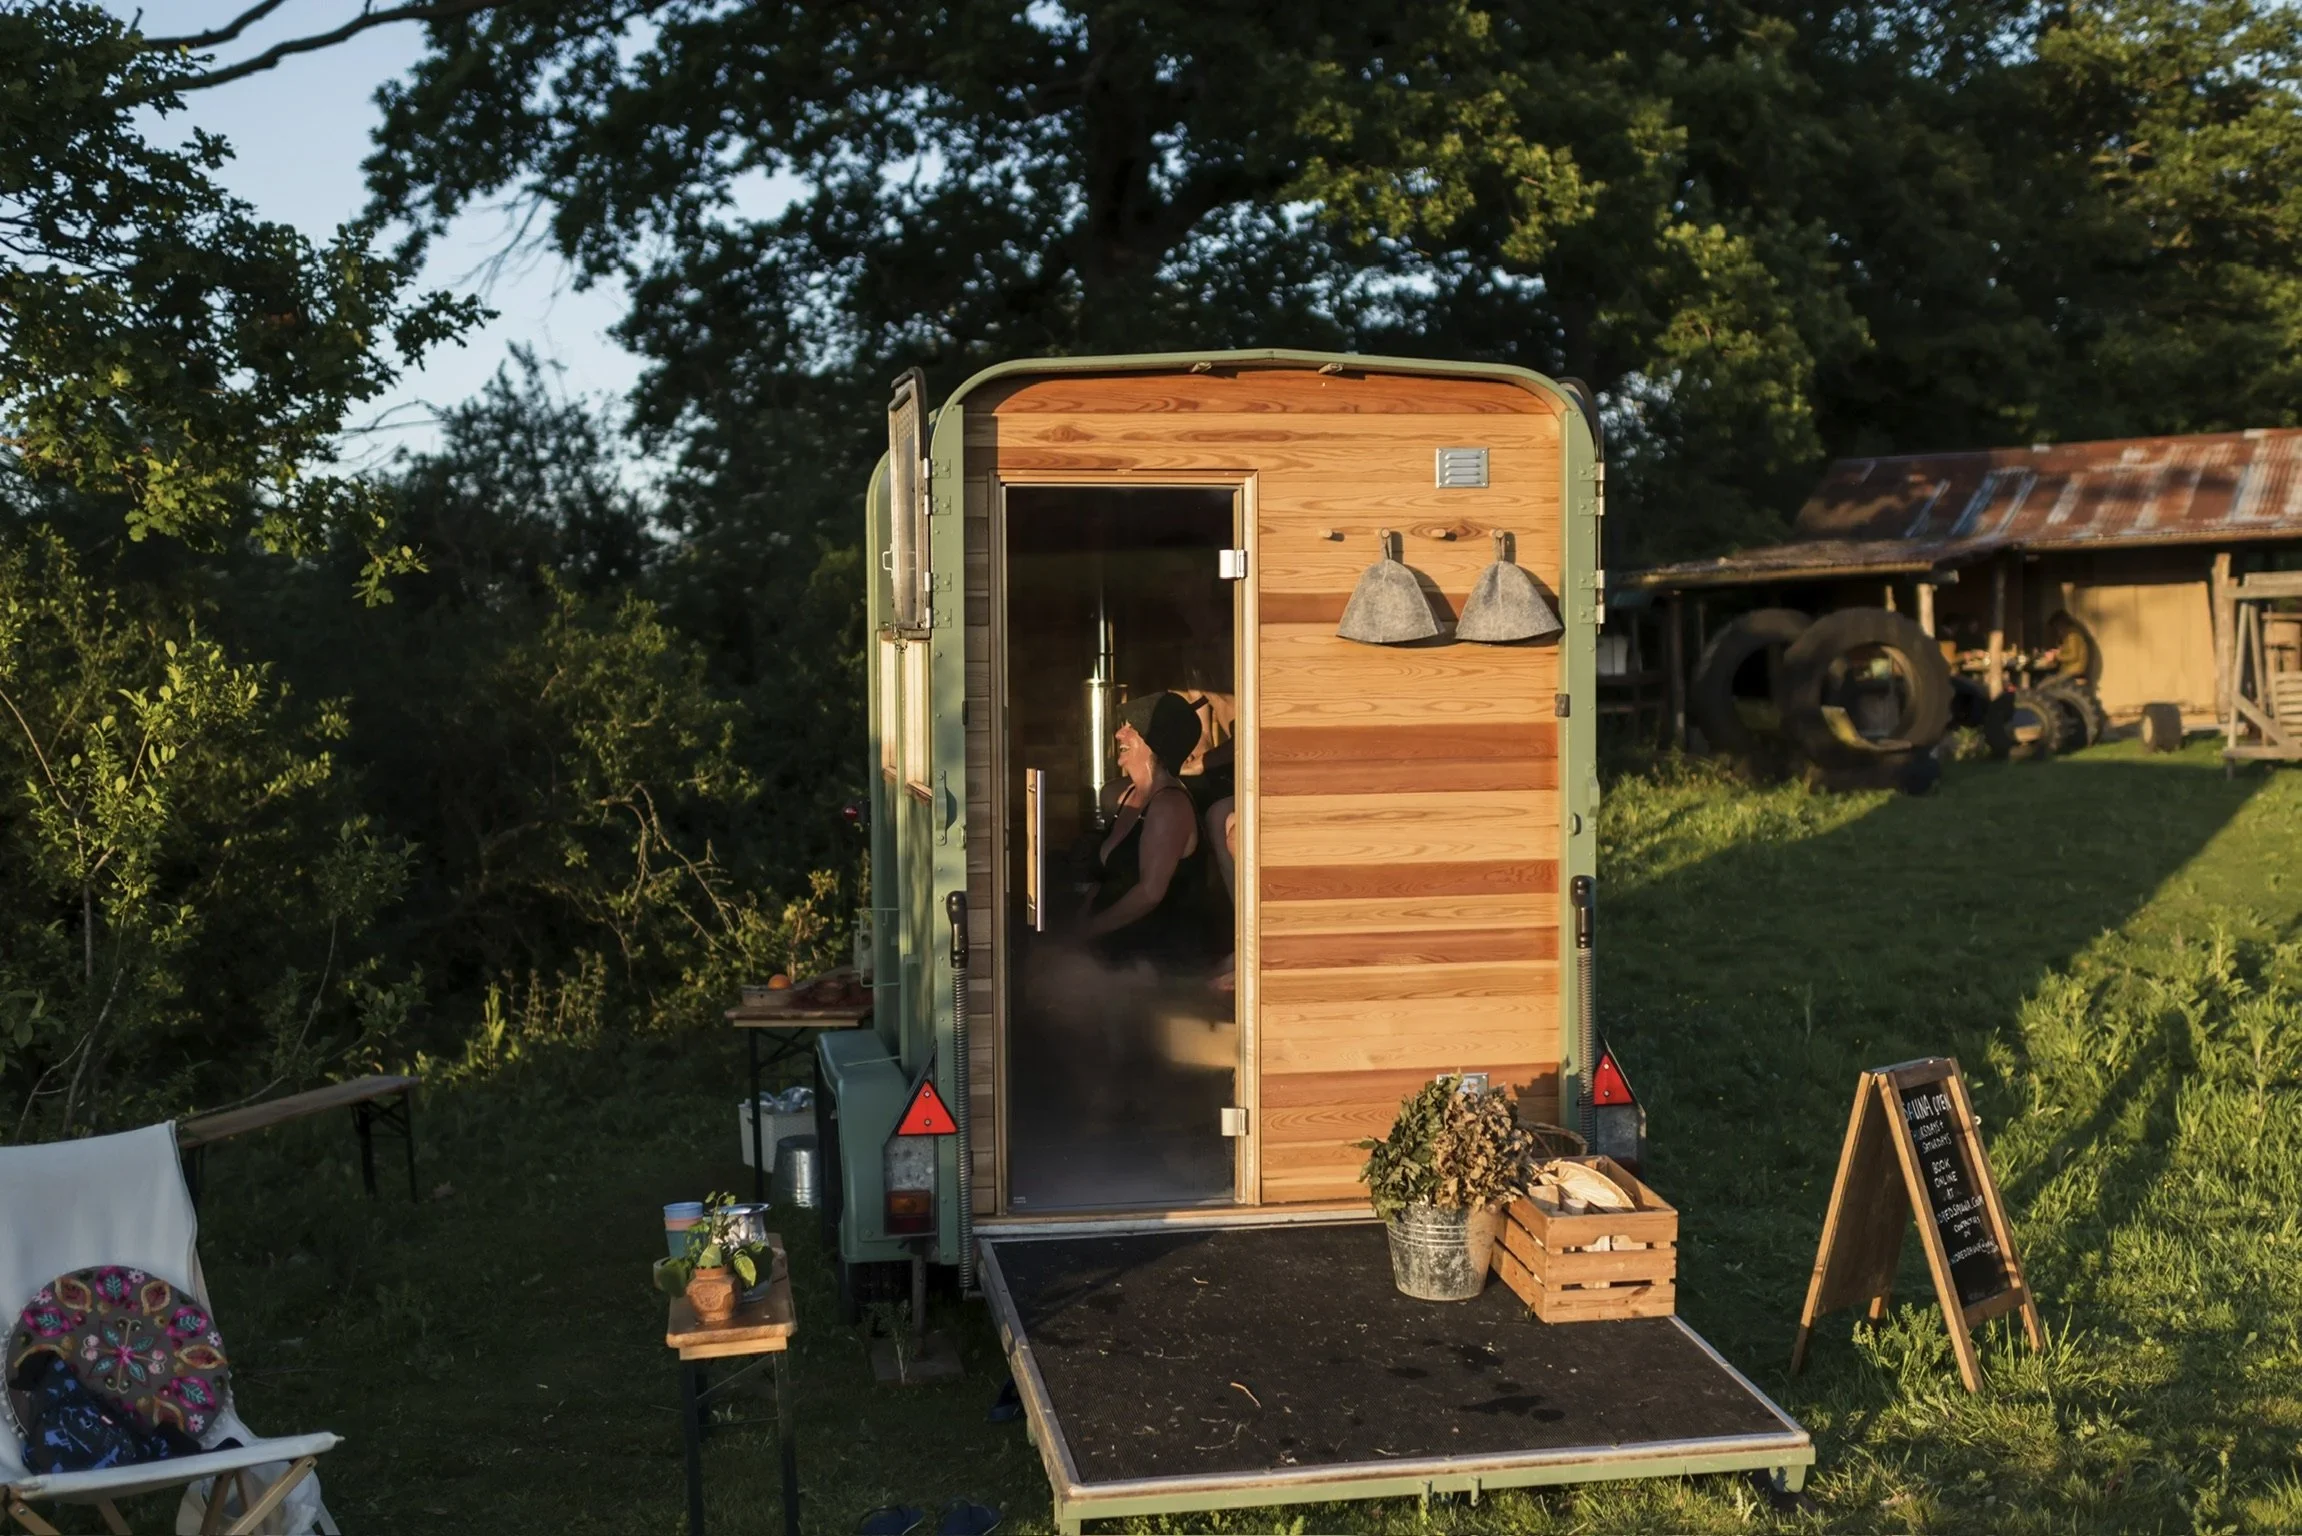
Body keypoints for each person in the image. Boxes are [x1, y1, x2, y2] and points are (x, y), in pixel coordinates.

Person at [1082, 691, 1217, 970]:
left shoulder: (1170, 806)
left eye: (1131, 729)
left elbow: (1149, 893)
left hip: (1156, 964)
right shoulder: (1121, 796)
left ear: (1155, 742)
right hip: (1115, 954)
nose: (1120, 734)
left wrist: (1084, 934)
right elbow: (1103, 882)